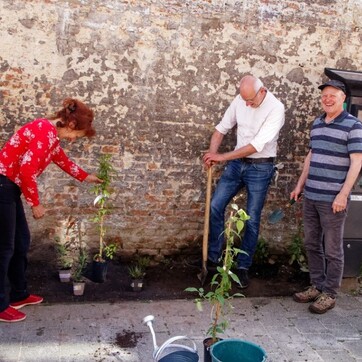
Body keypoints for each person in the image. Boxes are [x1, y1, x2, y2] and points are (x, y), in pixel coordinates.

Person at [0, 98, 103, 323]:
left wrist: (86, 176)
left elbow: (63, 161)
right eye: (78, 135)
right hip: (3, 186)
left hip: (9, 188)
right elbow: (27, 169)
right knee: (5, 248)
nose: (75, 140)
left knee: (21, 243)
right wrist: (35, 203)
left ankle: (19, 295)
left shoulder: (51, 137)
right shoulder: (44, 131)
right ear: (72, 125)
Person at [202, 75, 285, 288]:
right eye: (244, 99)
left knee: (252, 218)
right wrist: (212, 153)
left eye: (251, 100)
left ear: (262, 91)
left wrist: (222, 156)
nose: (247, 104)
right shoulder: (241, 99)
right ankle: (213, 260)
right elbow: (222, 129)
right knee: (215, 205)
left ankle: (243, 267)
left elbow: (256, 146)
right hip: (237, 165)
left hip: (261, 167)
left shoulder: (276, 108)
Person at [291, 79, 362, 314]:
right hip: (311, 195)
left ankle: (330, 293)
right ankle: (316, 285)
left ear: (343, 98)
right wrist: (300, 186)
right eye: (324, 95)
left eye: (333, 95)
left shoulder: (353, 126)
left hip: (333, 200)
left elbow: (357, 162)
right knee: (312, 244)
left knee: (332, 249)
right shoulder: (318, 123)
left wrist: (343, 194)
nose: (327, 99)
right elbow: (311, 157)